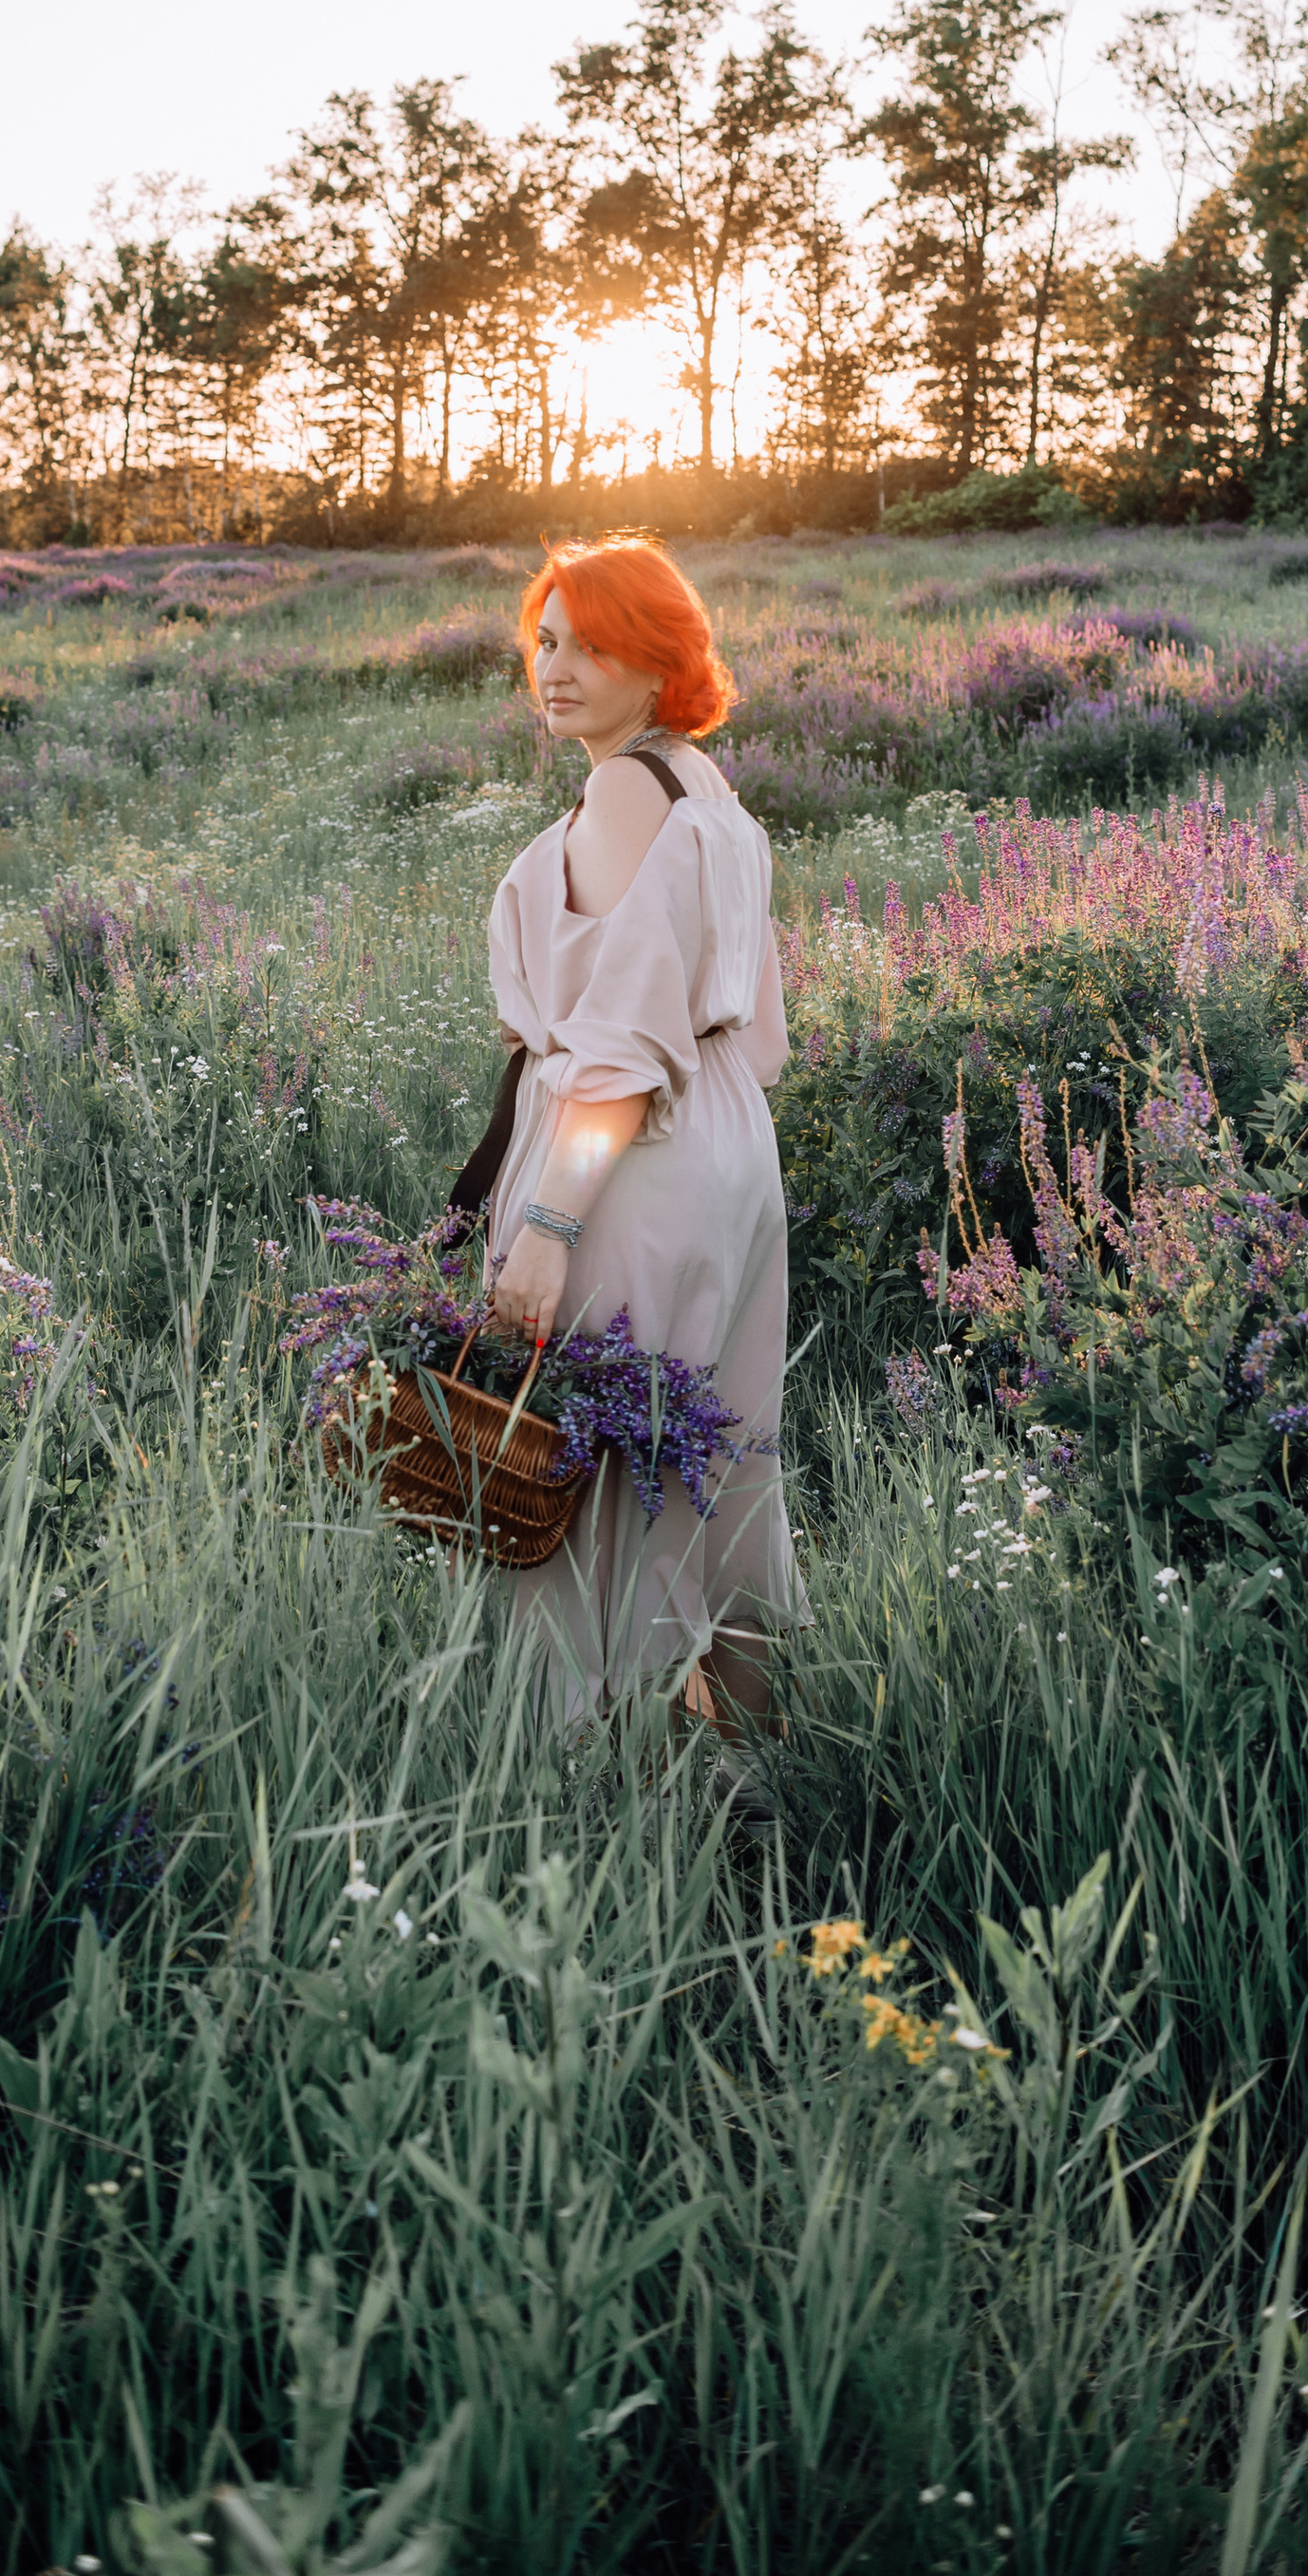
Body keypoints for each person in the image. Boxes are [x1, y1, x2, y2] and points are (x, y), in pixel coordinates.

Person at [478, 533, 803, 1733]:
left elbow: (618, 1044)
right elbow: (755, 1027)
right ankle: (755, 1741)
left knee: (594, 1474)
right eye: (546, 639)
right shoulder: (704, 789)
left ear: (656, 658)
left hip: (635, 1156)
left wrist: (552, 1221)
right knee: (718, 1457)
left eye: (593, 643)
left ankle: (587, 1760)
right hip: (728, 1139)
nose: (555, 668)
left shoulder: (626, 792)